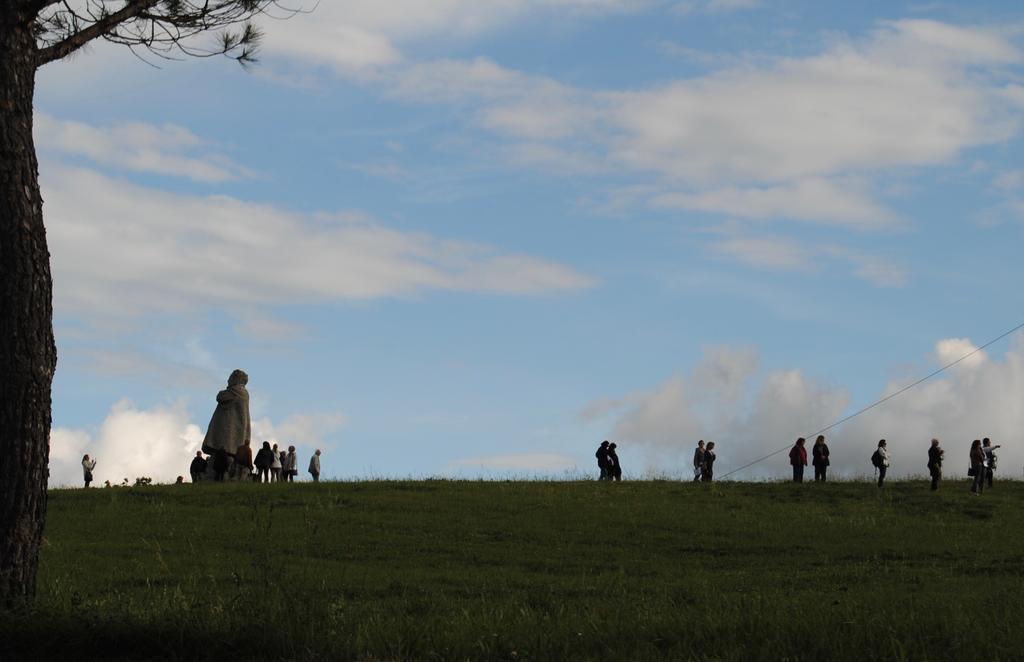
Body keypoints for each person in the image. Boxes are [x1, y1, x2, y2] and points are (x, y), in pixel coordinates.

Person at [202, 369, 251, 461]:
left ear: (236, 379)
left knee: (226, 445)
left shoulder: (238, 391)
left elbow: (221, 397)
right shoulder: (242, 393)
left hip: (230, 427)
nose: (228, 380)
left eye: (230, 378)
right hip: (229, 426)